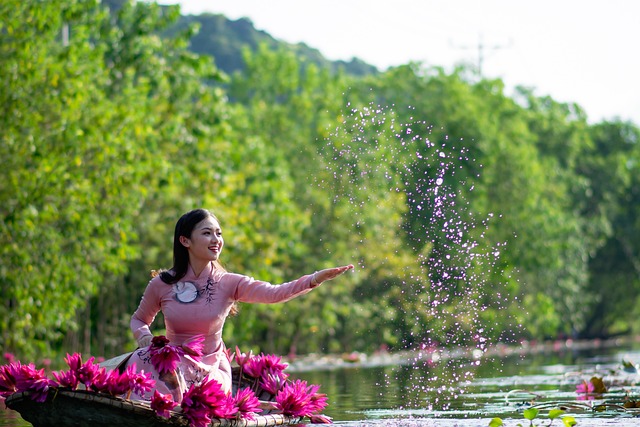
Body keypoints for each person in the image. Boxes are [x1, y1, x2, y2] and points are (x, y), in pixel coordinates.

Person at [124, 208, 353, 402]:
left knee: (179, 378)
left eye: (219, 234)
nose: (216, 240)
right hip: (171, 362)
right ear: (185, 241)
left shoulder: (229, 282)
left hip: (209, 368)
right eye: (207, 234)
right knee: (142, 357)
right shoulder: (162, 283)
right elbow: (139, 319)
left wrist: (314, 279)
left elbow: (275, 293)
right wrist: (144, 335)